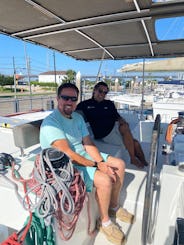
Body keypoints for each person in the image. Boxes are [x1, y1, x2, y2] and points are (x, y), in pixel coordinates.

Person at [40, 83, 134, 245]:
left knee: (119, 164)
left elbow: (87, 142)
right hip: (66, 164)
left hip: (82, 155)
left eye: (73, 98)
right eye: (65, 97)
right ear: (57, 99)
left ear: (77, 101)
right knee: (104, 180)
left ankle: (113, 206)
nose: (69, 101)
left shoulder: (77, 117)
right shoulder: (51, 123)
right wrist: (98, 166)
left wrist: (99, 161)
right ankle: (104, 222)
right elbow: (69, 154)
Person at [76, 81, 148, 169]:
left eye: (105, 92)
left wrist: (122, 120)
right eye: (100, 91)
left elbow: (117, 116)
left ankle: (142, 160)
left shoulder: (109, 104)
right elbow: (75, 117)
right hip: (105, 133)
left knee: (125, 126)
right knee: (135, 143)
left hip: (116, 127)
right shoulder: (85, 105)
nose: (102, 94)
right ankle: (135, 159)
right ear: (94, 90)